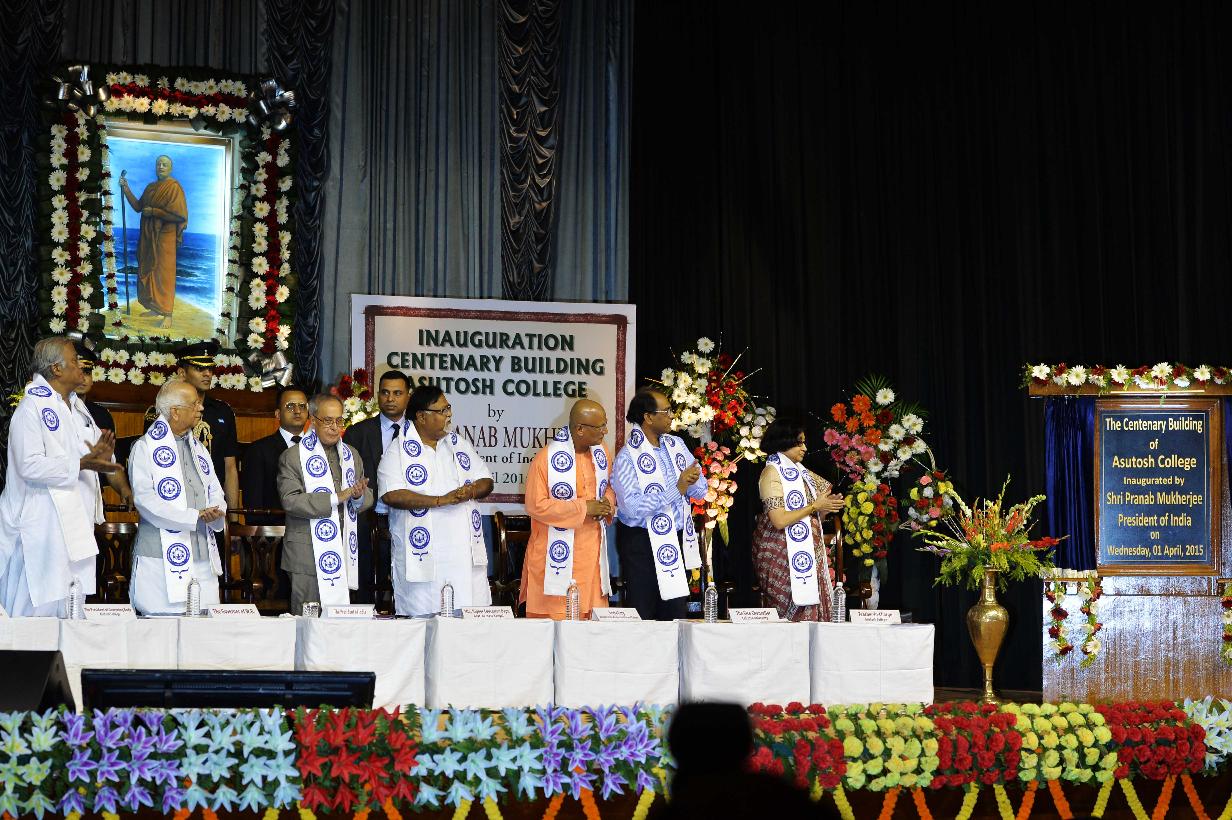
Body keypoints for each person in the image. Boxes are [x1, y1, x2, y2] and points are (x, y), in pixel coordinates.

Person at [0, 337, 114, 616]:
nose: (81, 367)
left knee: (70, 605)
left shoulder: (77, 409)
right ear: (56, 369)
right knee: (37, 609)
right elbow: (29, 465)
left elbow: (89, 457)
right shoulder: (31, 408)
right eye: (75, 361)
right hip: (41, 524)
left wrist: (100, 461)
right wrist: (82, 464)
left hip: (73, 524)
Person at [379, 385, 493, 615]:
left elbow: (486, 480)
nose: (448, 415)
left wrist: (470, 492)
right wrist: (441, 500)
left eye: (448, 408)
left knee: (469, 620)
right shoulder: (397, 450)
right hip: (424, 559)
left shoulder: (458, 444)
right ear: (421, 417)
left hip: (463, 557)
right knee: (424, 623)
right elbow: (391, 494)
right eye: (442, 410)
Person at [128, 381, 226, 615]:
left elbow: (215, 490)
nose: (201, 408)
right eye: (194, 404)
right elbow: (145, 500)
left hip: (202, 555)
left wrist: (216, 510)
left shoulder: (200, 449)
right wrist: (193, 516)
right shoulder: (144, 448)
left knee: (204, 626)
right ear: (175, 412)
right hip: (159, 557)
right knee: (162, 627)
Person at [612, 388, 708, 620]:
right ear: (648, 417)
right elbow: (631, 508)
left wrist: (692, 482)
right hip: (641, 543)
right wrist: (677, 489)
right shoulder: (627, 456)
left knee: (674, 613)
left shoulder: (676, 445)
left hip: (675, 538)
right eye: (666, 411)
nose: (672, 416)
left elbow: (700, 489)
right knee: (644, 612)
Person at [520, 399, 617, 620]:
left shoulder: (601, 453)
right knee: (555, 624)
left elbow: (610, 487)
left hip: (591, 554)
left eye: (605, 424)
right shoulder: (545, 459)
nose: (605, 431)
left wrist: (607, 503)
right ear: (580, 429)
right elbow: (535, 505)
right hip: (554, 557)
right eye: (600, 426)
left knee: (590, 626)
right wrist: (584, 507)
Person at [277, 394, 373, 612]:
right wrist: (335, 498)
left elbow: (366, 495)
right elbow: (290, 500)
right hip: (306, 555)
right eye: (328, 421)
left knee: (339, 621)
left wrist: (358, 496)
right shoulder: (293, 456)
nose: (335, 427)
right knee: (307, 619)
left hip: (343, 550)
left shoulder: (351, 455)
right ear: (313, 420)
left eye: (339, 420)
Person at [752, 418, 845, 621]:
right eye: (799, 443)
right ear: (784, 442)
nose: (805, 448)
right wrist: (814, 506)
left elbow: (812, 516)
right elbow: (778, 520)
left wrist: (824, 509)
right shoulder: (771, 473)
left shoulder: (802, 473)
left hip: (809, 552)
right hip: (779, 554)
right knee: (789, 620)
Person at [147, 340, 241, 513]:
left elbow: (230, 468)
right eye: (199, 368)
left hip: (213, 505)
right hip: (174, 503)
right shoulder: (162, 410)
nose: (207, 374)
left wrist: (233, 517)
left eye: (210, 369)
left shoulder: (223, 411)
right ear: (182, 373)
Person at [343, 369, 410, 604]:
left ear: (408, 396)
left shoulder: (419, 433)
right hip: (368, 519)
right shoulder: (357, 433)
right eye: (385, 393)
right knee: (366, 585)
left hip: (409, 518)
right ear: (377, 395)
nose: (390, 398)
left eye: (397, 393)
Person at [118, 154, 187, 328]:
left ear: (170, 168)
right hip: (148, 237)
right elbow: (138, 207)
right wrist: (126, 189)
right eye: (158, 164)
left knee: (164, 275)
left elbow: (179, 216)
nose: (161, 167)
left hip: (165, 238)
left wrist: (155, 212)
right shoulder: (150, 187)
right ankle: (155, 308)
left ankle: (167, 314)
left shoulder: (174, 187)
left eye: (164, 164)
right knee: (150, 272)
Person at [71, 337, 134, 509]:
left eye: (87, 372)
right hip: (63, 499)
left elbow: (109, 461)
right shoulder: (56, 410)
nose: (83, 378)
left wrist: (124, 489)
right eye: (78, 371)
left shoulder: (101, 415)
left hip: (93, 500)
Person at [240, 384, 309, 524]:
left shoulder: (317, 448)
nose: (297, 411)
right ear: (277, 414)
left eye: (302, 406)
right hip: (275, 530)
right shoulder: (259, 450)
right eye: (290, 406)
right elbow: (253, 503)